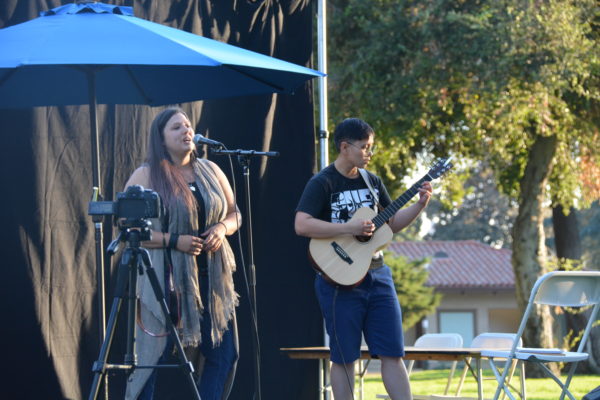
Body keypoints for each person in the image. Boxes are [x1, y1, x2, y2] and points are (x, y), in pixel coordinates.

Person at [294, 118, 432, 400]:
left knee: (393, 353)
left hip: (378, 275)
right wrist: (349, 228)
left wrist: (419, 206)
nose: (370, 153)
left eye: (371, 147)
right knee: (344, 356)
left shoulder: (372, 181)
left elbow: (390, 224)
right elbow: (302, 224)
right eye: (365, 147)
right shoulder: (323, 182)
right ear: (345, 147)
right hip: (338, 281)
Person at [123, 107, 241, 400]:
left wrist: (221, 229)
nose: (187, 131)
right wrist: (175, 240)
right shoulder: (147, 174)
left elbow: (235, 213)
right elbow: (126, 228)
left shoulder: (211, 170)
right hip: (165, 281)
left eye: (188, 126)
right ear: (161, 139)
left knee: (224, 355)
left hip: (211, 281)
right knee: (153, 360)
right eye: (176, 128)